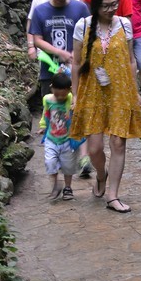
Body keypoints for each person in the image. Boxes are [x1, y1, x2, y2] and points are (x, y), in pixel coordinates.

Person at [70, 0, 141, 214]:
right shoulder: (83, 26)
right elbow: (76, 63)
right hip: (92, 92)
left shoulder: (124, 24)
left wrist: (135, 91)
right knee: (94, 148)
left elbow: (131, 60)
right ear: (96, 6)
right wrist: (75, 95)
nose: (111, 9)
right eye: (106, 6)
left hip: (120, 91)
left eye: (114, 5)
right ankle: (101, 175)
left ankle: (113, 195)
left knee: (118, 143)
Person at [28, 0, 93, 176]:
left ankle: (84, 158)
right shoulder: (41, 11)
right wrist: (59, 52)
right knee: (55, 115)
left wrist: (78, 53)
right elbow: (37, 39)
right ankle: (57, 158)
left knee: (79, 113)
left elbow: (90, 34)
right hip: (50, 71)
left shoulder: (79, 8)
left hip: (77, 71)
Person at [39, 71, 79, 200]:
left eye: (63, 94)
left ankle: (67, 187)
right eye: (57, 94)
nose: (61, 97)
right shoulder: (47, 99)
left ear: (69, 90)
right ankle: (55, 185)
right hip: (51, 138)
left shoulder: (70, 99)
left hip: (67, 140)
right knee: (50, 162)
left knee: (68, 166)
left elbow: (75, 98)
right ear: (51, 88)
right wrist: (42, 126)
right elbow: (45, 114)